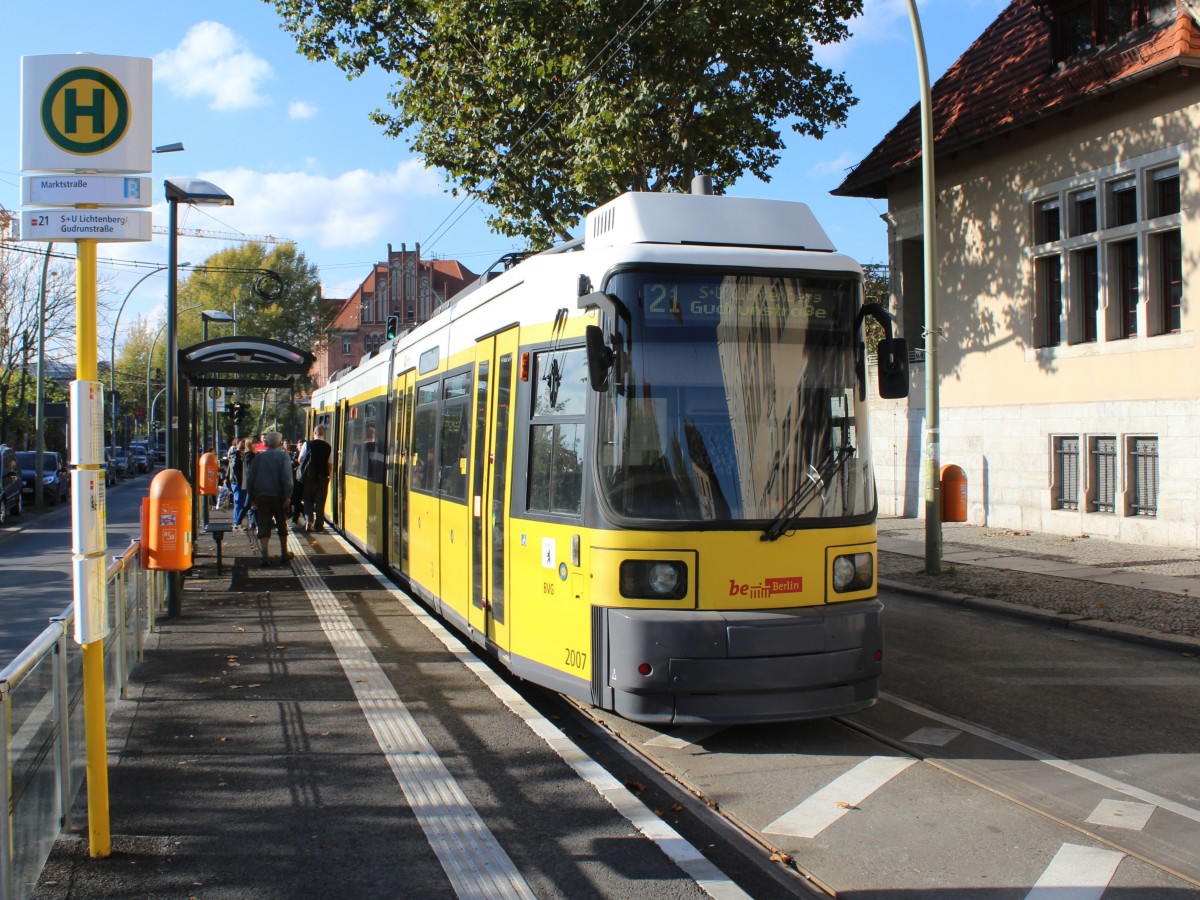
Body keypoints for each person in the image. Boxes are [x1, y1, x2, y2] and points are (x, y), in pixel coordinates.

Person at [244, 432, 294, 567]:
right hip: (278, 496)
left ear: (266, 443)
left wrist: (252, 497)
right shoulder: (284, 457)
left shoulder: (259, 458)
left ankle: (264, 555)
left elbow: (251, 479)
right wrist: (287, 495)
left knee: (263, 524)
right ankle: (284, 552)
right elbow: (287, 478)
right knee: (281, 523)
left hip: (262, 496)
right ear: (279, 443)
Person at [300, 424, 333, 532]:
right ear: (324, 434)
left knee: (307, 499)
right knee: (320, 502)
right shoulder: (328, 447)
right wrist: (329, 476)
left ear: (314, 433)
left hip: (309, 477)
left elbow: (300, 459)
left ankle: (309, 520)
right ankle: (319, 526)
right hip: (323, 478)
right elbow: (330, 464)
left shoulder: (308, 444)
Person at [229, 438, 254, 528]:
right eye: (241, 443)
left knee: (243, 502)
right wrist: (239, 480)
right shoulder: (236, 455)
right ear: (237, 445)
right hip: (238, 482)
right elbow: (235, 469)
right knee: (239, 502)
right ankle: (237, 522)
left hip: (241, 482)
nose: (243, 444)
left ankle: (238, 522)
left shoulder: (242, 455)